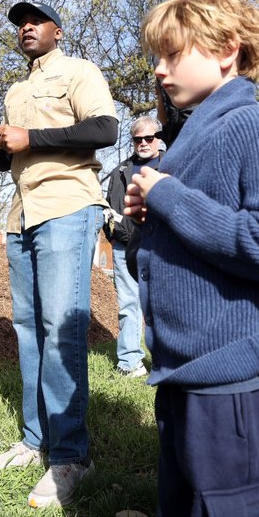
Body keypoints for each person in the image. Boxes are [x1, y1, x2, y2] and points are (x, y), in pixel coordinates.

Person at [120, 0, 259, 517]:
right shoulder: (195, 134)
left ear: (228, 50)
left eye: (172, 54)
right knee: (186, 516)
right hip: (187, 370)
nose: (159, 68)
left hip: (234, 379)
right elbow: (188, 246)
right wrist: (149, 220)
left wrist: (168, 196)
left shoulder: (254, 126)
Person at [0, 0, 118, 508]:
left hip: (67, 206)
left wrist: (31, 137)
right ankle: (34, 440)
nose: (25, 30)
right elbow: (6, 160)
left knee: (61, 326)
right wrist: (2, 145)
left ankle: (69, 457)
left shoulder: (79, 70)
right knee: (29, 327)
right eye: (19, 25)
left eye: (34, 22)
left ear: (57, 31)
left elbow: (104, 129)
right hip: (22, 214)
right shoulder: (15, 89)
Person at [103, 115, 162, 378]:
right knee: (128, 304)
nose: (143, 143)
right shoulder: (120, 171)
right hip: (124, 245)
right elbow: (108, 207)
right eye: (138, 139)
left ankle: (163, 360)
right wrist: (113, 234)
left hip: (161, 246)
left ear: (158, 139)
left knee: (162, 305)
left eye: (149, 138)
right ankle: (129, 362)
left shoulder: (170, 164)